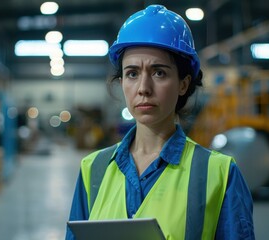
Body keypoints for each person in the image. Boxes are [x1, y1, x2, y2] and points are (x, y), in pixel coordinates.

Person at [66, 4, 254, 240]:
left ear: (183, 84)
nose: (143, 88)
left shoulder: (219, 174)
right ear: (122, 81)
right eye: (132, 73)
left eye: (159, 73)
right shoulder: (93, 170)